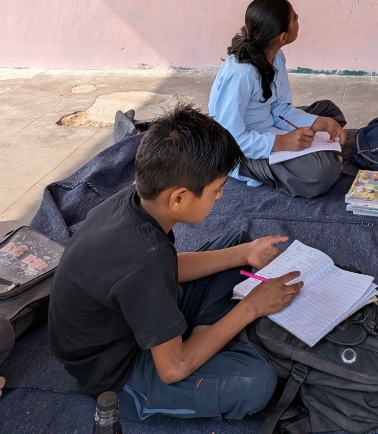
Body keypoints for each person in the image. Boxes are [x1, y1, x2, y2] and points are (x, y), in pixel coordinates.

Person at [48, 104, 303, 423]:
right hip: (119, 372)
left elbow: (170, 267)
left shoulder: (133, 205)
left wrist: (245, 254)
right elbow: (173, 369)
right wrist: (251, 307)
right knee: (256, 382)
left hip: (135, 315)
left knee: (238, 244)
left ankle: (207, 337)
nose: (221, 197)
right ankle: (210, 340)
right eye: (217, 190)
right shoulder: (144, 257)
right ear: (178, 198)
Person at [209, 0, 347, 198]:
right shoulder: (241, 74)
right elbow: (228, 138)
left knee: (329, 112)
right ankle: (253, 169)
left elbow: (280, 109)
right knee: (321, 172)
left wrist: (318, 122)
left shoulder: (276, 56)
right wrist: (282, 143)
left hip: (269, 125)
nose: (298, 19)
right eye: (294, 18)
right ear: (283, 36)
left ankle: (317, 152)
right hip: (239, 149)